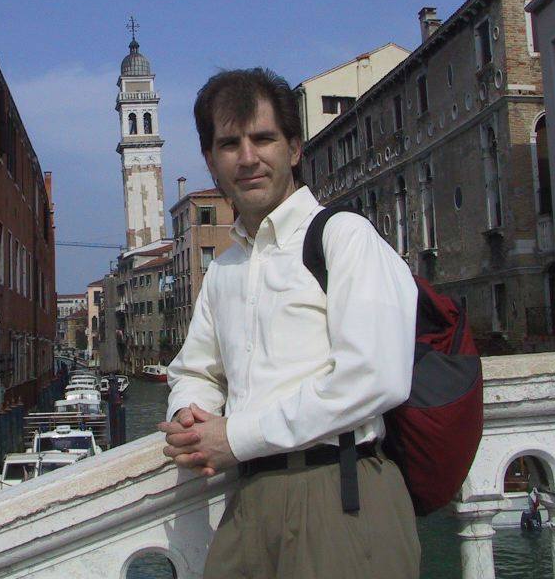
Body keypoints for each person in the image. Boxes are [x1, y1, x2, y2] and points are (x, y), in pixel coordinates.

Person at [159, 68, 421, 578]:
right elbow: (195, 369)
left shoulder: (345, 237)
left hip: (341, 494)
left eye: (263, 139)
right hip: (249, 502)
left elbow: (376, 377)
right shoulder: (225, 271)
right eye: (229, 144)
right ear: (212, 162)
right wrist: (191, 420)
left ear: (295, 149)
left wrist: (235, 438)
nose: (248, 157)